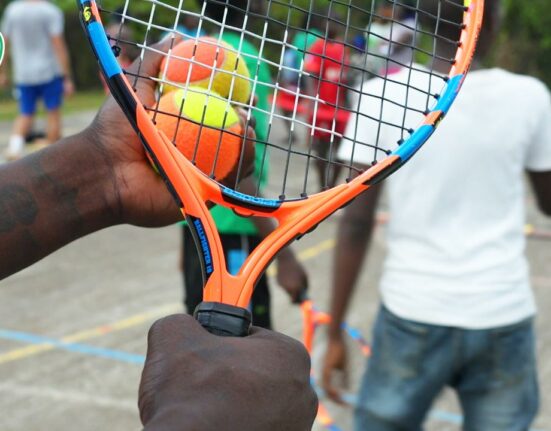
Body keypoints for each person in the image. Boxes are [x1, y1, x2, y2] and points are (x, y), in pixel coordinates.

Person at [0, 39, 318, 431]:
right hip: (230, 234)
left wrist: (104, 166)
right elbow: (241, 165)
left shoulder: (189, 49)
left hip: (204, 228)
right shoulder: (247, 57)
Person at [322, 1, 551, 430]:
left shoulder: (382, 95)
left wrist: (334, 331)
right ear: (494, 19)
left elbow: (355, 221)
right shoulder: (529, 96)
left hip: (414, 310)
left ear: (424, 23)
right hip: (501, 312)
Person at [181, 0, 308, 328]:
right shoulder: (242, 55)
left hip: (199, 221)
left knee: (205, 335)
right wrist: (286, 255)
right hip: (233, 226)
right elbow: (232, 166)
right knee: (238, 344)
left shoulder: (198, 49)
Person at [0, 0, 75, 160]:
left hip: (23, 73)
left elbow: (4, 42)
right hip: (49, 70)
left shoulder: (12, 10)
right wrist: (66, 76)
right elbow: (58, 44)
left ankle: (14, 148)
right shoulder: (50, 11)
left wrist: (2, 71)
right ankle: (52, 153)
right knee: (53, 111)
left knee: (25, 112)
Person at [304, 12, 350, 190]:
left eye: (337, 23)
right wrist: (311, 104)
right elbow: (311, 76)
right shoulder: (317, 47)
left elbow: (346, 79)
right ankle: (323, 186)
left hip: (340, 110)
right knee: (321, 150)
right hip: (322, 107)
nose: (333, 26)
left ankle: (331, 186)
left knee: (342, 150)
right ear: (324, 24)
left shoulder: (342, 49)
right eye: (329, 22)